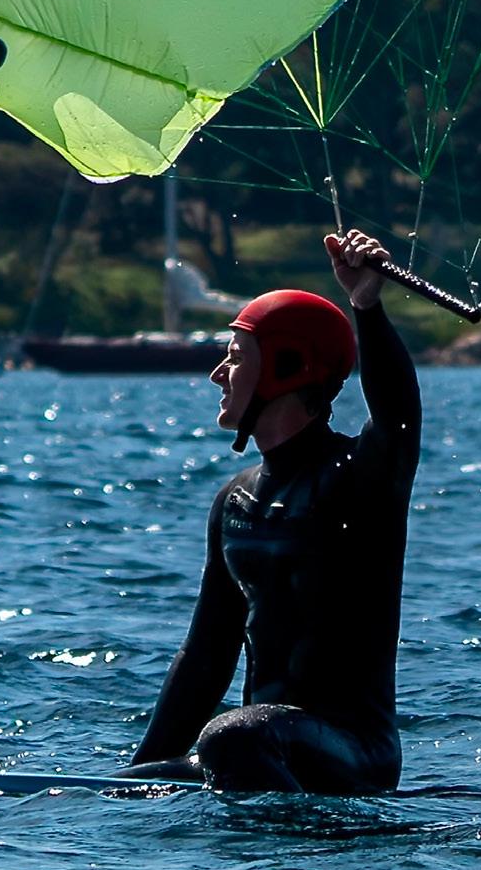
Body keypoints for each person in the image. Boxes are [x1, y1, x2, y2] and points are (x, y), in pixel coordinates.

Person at [123, 229, 421, 793]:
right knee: (201, 752)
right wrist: (132, 780)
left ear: (288, 367)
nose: (217, 374)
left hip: (355, 754)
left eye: (236, 358)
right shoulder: (234, 501)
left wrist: (366, 305)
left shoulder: (361, 479)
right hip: (259, 748)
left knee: (229, 737)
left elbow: (399, 418)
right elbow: (207, 656)